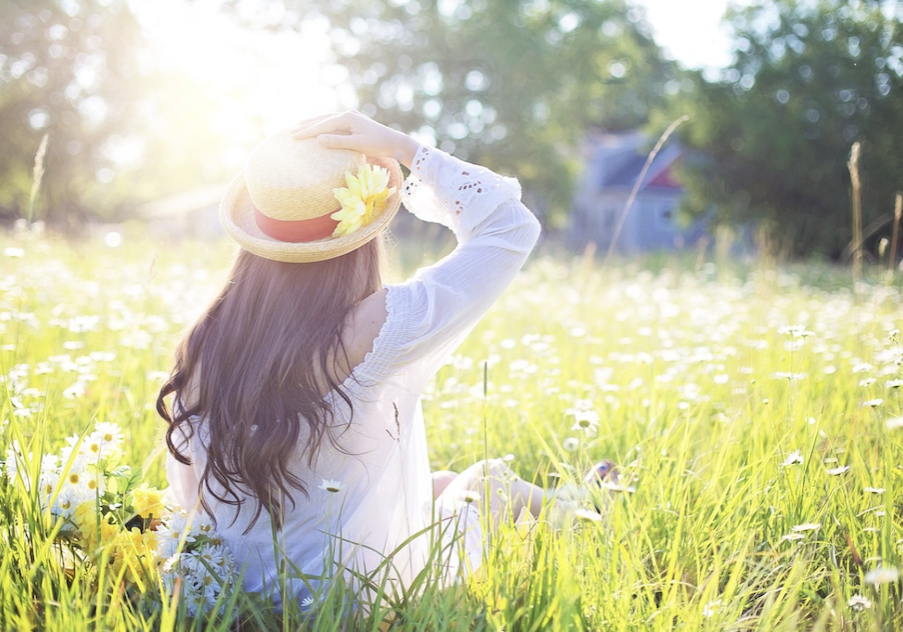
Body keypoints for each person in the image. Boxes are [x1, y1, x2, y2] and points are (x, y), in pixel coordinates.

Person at [156, 111, 604, 610]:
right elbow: (509, 226)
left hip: (233, 589)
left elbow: (190, 490)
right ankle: (582, 509)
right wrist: (408, 149)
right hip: (350, 598)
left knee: (437, 486)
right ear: (362, 230)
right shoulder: (379, 324)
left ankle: (577, 501)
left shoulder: (208, 335)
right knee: (487, 483)